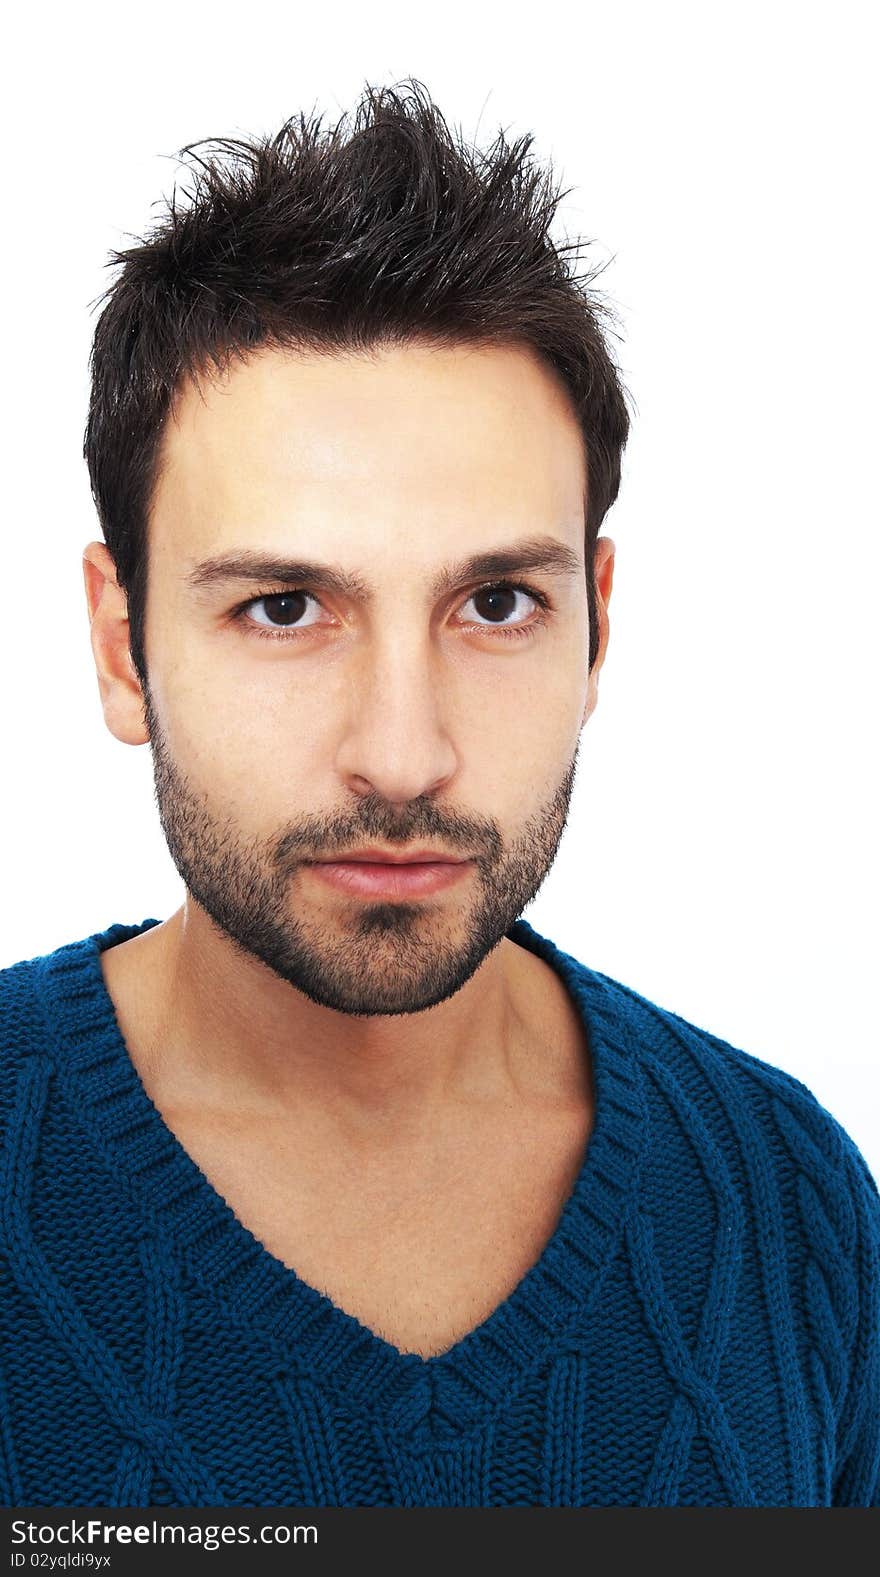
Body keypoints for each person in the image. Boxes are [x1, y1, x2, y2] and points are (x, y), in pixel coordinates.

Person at [0, 78, 877, 1511]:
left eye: (494, 602)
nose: (403, 756)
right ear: (121, 644)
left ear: (595, 618)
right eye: (286, 607)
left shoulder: (790, 1206)